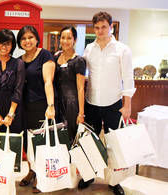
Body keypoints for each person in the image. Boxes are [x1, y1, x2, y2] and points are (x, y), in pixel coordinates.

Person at [79, 12, 136, 195]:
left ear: (110, 27)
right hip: (92, 102)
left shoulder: (122, 49)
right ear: (93, 28)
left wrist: (127, 106)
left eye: (104, 26)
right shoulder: (89, 48)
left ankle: (114, 181)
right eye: (97, 27)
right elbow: (80, 69)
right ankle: (88, 176)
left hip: (114, 104)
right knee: (90, 143)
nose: (100, 30)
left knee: (114, 144)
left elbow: (128, 79)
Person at [17, 25, 56, 194]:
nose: (27, 41)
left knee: (39, 143)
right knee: (27, 142)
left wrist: (50, 105)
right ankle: (32, 170)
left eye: (30, 37)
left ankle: (41, 175)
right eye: (24, 38)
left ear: (37, 39)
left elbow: (48, 81)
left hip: (40, 105)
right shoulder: (20, 59)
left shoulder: (45, 55)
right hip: (23, 107)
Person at [0, 28, 26, 133]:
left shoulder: (19, 63)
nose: (4, 47)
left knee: (12, 145)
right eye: (1, 43)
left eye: (7, 44)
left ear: (12, 46)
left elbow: (18, 90)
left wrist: (10, 115)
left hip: (13, 109)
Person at [54, 26, 86, 144]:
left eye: (69, 38)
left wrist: (81, 113)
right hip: (57, 102)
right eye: (62, 38)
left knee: (69, 136)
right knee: (57, 136)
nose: (65, 41)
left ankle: (70, 162)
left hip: (71, 104)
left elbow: (81, 88)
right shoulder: (55, 57)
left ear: (75, 40)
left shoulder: (78, 61)